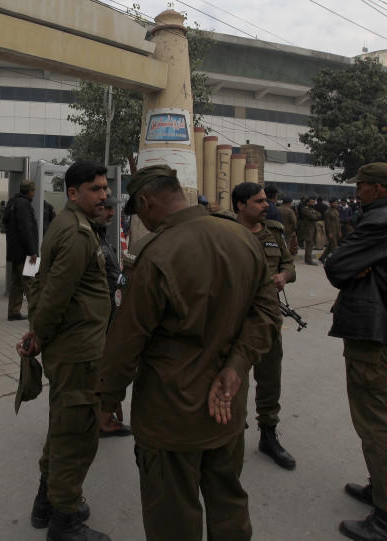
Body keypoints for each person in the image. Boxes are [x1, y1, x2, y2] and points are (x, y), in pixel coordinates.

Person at [97, 165, 277, 541]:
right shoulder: (242, 239)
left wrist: (107, 399)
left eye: (138, 210)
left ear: (145, 202)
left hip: (171, 416)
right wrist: (236, 367)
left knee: (173, 518)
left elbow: (126, 341)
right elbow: (266, 314)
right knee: (228, 504)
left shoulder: (155, 255)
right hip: (227, 406)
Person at [324, 163, 387, 541]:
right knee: (374, 418)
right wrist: (357, 268)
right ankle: (379, 489)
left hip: (373, 331)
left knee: (374, 424)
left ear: (379, 189)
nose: (357, 190)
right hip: (382, 327)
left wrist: (355, 269)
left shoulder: (384, 222)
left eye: (362, 185)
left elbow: (336, 266)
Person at [16, 160, 111, 541]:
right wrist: (39, 333)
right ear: (73, 193)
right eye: (95, 189)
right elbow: (55, 294)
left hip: (72, 345)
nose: (104, 195)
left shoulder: (71, 225)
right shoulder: (77, 234)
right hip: (78, 352)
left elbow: (44, 283)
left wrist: (40, 332)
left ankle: (47, 503)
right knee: (76, 435)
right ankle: (65, 523)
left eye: (105, 188)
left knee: (62, 427)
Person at [231, 182, 297, 470]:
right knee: (234, 379)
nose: (266, 205)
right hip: (235, 323)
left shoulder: (274, 233)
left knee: (270, 379)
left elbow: (290, 266)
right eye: (258, 201)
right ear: (241, 205)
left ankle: (268, 435)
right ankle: (231, 436)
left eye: (265, 201)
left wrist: (283, 276)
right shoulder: (226, 234)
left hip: (269, 319)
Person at [94, 194, 131, 439]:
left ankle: (105, 415)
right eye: (106, 209)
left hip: (107, 311)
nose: (111, 213)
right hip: (95, 318)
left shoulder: (101, 235)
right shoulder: (85, 237)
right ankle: (100, 420)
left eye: (111, 209)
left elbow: (113, 272)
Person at [5, 180, 39, 321]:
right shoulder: (24, 205)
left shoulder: (12, 202)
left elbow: (6, 222)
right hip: (26, 253)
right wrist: (32, 252)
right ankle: (36, 314)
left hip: (14, 252)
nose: (34, 193)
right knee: (30, 282)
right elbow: (26, 230)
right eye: (33, 190)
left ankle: (13, 311)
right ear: (30, 191)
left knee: (17, 283)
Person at [297, 195, 321, 264]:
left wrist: (315, 215)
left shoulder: (312, 209)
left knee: (311, 244)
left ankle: (308, 259)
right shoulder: (305, 209)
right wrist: (315, 216)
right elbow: (312, 217)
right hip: (308, 229)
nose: (313, 203)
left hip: (313, 228)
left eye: (313, 202)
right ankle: (308, 260)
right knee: (309, 244)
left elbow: (319, 214)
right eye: (311, 202)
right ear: (307, 202)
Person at [320, 198, 343, 263]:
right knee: (334, 246)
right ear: (330, 204)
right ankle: (335, 261)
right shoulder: (328, 212)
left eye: (336, 203)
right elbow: (327, 223)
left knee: (330, 246)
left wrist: (340, 231)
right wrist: (329, 232)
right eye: (334, 203)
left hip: (336, 231)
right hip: (331, 231)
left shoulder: (336, 211)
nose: (336, 204)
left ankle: (322, 257)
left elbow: (338, 222)